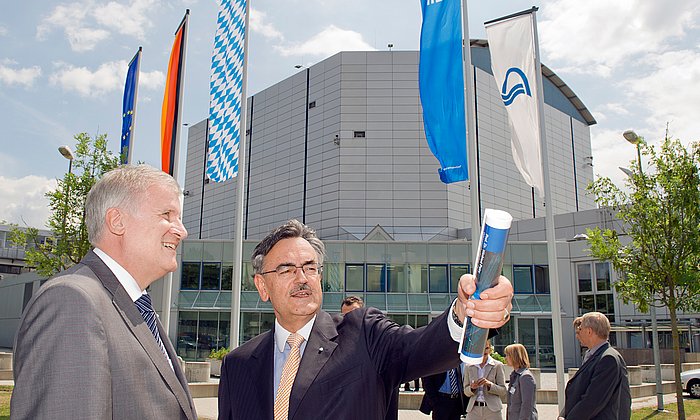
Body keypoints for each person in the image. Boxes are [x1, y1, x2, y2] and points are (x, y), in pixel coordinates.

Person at [218, 219, 514, 419]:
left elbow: (419, 347)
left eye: (310, 267)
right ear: (262, 286)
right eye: (286, 269)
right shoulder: (238, 365)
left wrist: (463, 313)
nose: (302, 278)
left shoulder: (362, 333)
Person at [11, 165, 196, 419]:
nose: (181, 231)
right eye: (167, 214)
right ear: (117, 221)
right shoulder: (72, 301)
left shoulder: (135, 305)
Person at [559, 312, 631, 420]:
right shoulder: (595, 355)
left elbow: (593, 400)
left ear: (589, 331)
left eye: (580, 329)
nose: (577, 334)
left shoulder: (608, 359)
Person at [464, 340, 506, 419]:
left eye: (487, 348)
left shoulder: (497, 365)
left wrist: (489, 385)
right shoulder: (469, 366)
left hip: (492, 410)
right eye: (482, 348)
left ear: (490, 349)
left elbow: (503, 390)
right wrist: (472, 388)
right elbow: (466, 391)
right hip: (474, 409)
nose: (485, 351)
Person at [504, 343, 537, 420]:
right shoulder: (515, 375)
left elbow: (527, 404)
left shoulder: (525, 376)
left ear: (515, 356)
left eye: (507, 355)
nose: (505, 358)